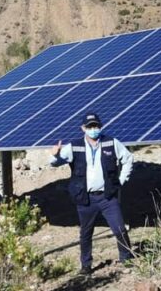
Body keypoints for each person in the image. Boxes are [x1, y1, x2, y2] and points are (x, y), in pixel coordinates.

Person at [51, 112, 134, 273]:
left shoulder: (111, 142)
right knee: (86, 233)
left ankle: (126, 258)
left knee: (119, 229)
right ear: (83, 128)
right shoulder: (74, 146)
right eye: (90, 126)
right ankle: (86, 265)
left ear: (100, 126)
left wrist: (120, 181)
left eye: (95, 126)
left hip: (107, 196)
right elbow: (56, 162)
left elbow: (128, 158)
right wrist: (54, 155)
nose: (93, 129)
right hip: (85, 198)